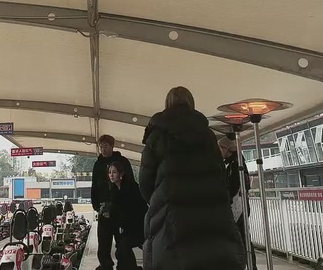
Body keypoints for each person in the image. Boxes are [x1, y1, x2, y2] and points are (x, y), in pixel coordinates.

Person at [139, 86, 246, 270]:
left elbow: (145, 182)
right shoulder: (208, 135)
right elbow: (220, 173)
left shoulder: (157, 135)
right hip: (210, 210)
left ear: (167, 103)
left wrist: (161, 200)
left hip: (173, 214)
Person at [92, 134, 135, 270]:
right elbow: (94, 186)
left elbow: (130, 183)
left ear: (112, 146)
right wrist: (96, 206)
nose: (103, 150)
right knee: (103, 242)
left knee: (122, 242)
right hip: (104, 209)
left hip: (120, 209)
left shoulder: (122, 162)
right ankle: (105, 265)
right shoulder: (98, 164)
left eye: (105, 146)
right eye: (101, 147)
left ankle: (125, 266)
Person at [219, 136, 257, 270]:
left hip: (238, 207)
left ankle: (249, 266)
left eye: (220, 148)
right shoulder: (236, 163)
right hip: (241, 205)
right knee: (243, 237)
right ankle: (250, 265)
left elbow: (233, 187)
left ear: (227, 149)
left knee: (242, 238)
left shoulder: (235, 165)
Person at [107, 161, 147, 270]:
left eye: (114, 172)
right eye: (109, 172)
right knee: (121, 251)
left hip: (138, 226)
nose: (111, 175)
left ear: (121, 174)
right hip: (125, 227)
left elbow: (137, 210)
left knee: (123, 249)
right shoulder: (114, 190)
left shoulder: (131, 187)